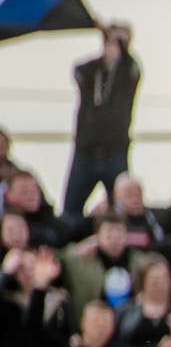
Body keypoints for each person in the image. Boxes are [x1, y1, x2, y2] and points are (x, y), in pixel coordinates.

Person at [64, 23, 140, 222]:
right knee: (71, 210)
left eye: (123, 42)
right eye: (114, 42)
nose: (118, 46)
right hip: (85, 153)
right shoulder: (92, 71)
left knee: (122, 209)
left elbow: (133, 69)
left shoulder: (128, 72)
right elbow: (77, 71)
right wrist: (105, 54)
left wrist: (121, 51)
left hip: (115, 154)